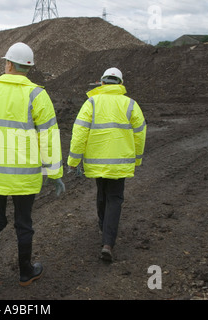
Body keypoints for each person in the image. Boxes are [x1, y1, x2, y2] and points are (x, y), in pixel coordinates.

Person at [0, 42, 65, 290]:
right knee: (24, 223)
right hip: (24, 177)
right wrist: (54, 174)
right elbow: (49, 137)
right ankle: (25, 273)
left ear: (8, 64)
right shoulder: (37, 95)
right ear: (28, 68)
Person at [67, 67, 147, 262]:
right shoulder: (130, 104)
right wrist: (137, 159)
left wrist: (73, 161)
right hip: (120, 163)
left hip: (97, 162)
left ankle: (104, 227)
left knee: (102, 194)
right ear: (120, 84)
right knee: (115, 199)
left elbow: (79, 133)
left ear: (101, 83)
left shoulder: (91, 103)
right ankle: (108, 242)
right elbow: (140, 133)